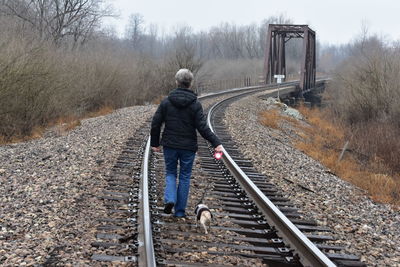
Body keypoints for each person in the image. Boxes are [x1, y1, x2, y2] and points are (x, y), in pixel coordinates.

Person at [150, 69, 223, 218]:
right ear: (190, 84)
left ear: (176, 82)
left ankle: (170, 199)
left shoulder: (166, 101)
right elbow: (202, 127)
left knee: (170, 172)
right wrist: (216, 143)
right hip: (188, 148)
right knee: (184, 176)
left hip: (170, 145)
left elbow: (156, 123)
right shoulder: (195, 104)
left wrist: (155, 143)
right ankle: (180, 211)